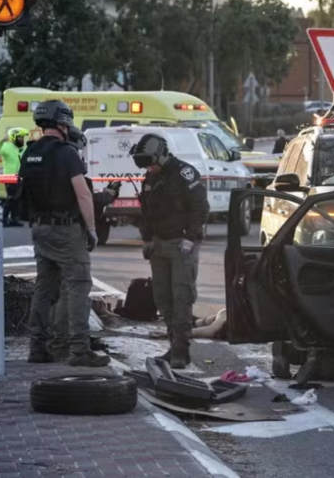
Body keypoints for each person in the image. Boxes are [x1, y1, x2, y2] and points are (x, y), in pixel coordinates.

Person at [18, 100, 109, 367]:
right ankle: (79, 351)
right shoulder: (66, 153)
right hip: (65, 230)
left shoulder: (30, 153)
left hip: (39, 228)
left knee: (44, 289)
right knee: (78, 285)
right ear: (61, 123)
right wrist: (91, 230)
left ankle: (38, 348)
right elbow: (83, 194)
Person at [131, 134, 209, 369]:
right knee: (163, 298)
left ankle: (180, 351)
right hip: (159, 244)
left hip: (181, 244)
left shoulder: (185, 173)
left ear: (162, 156)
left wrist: (192, 236)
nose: (149, 168)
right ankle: (172, 343)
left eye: (151, 163)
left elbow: (200, 207)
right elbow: (146, 211)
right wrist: (146, 239)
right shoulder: (150, 177)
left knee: (182, 297)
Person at [48, 126, 120, 360]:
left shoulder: (48, 162)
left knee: (58, 290)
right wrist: (108, 197)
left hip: (48, 234)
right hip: (70, 235)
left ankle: (57, 343)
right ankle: (76, 347)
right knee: (75, 288)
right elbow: (86, 200)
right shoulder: (70, 166)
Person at [0, 127, 28, 227]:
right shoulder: (6, 147)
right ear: (13, 137)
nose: (22, 139)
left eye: (23, 137)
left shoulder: (22, 148)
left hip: (19, 177)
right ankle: (4, 219)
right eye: (20, 137)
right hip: (9, 177)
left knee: (17, 199)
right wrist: (1, 141)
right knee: (10, 199)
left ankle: (14, 219)